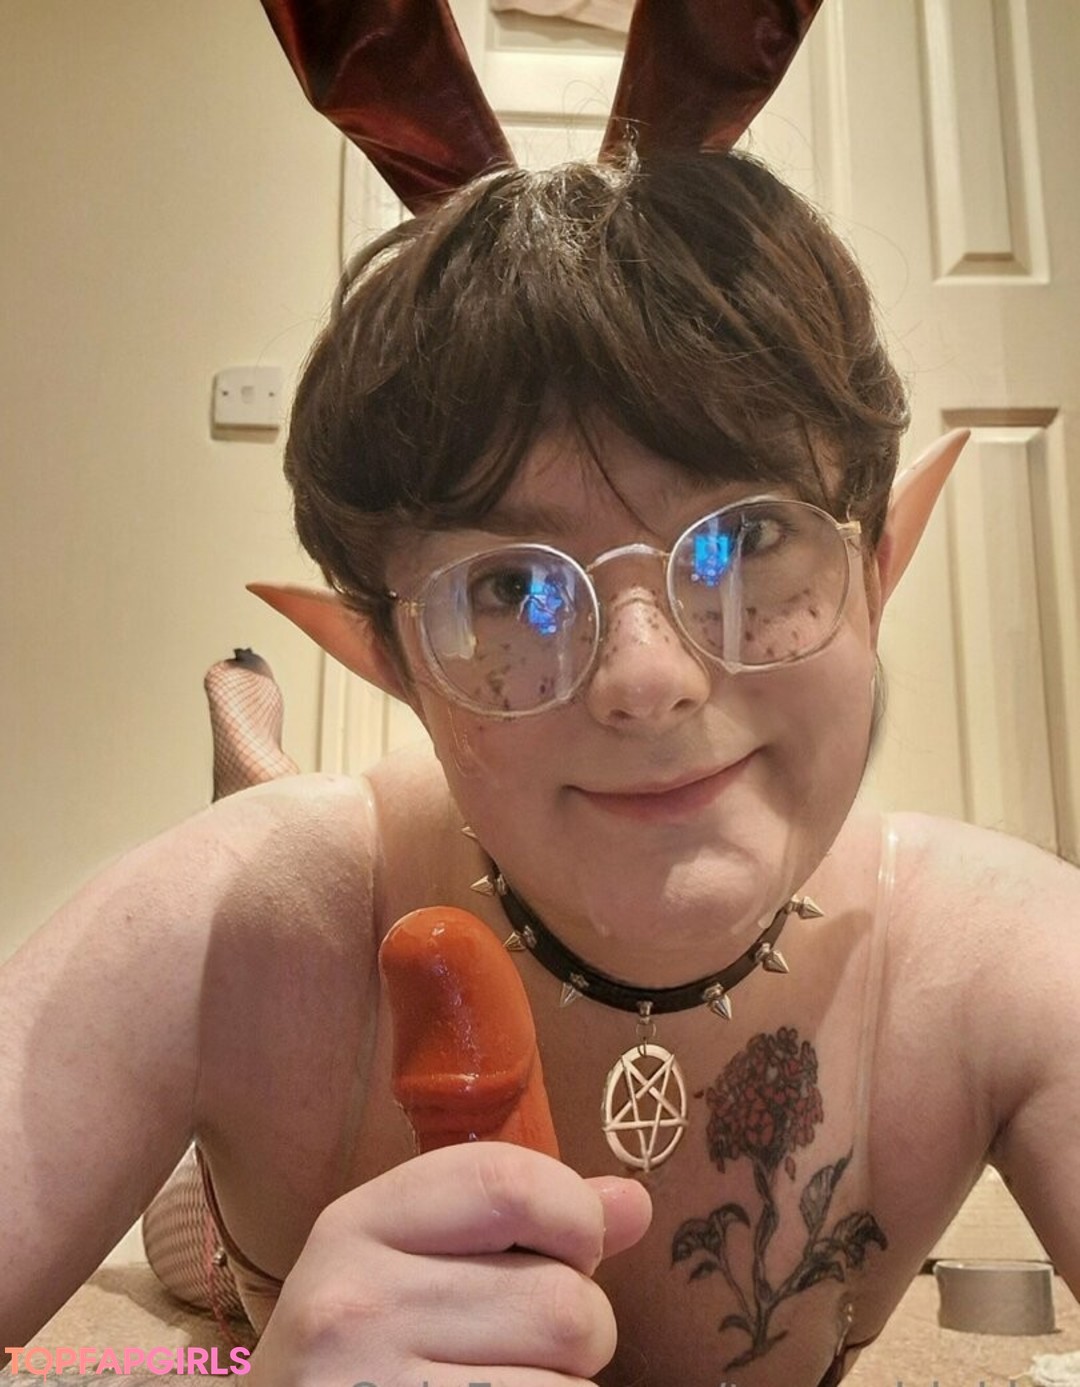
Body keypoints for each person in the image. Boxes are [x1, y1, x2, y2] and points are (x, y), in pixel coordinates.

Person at [3, 144, 1079, 1387]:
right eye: (513, 588)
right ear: (389, 659)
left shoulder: (1005, 955)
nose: (647, 678)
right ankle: (264, 772)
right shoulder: (225, 919)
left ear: (878, 570)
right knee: (190, 1259)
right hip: (225, 1204)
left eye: (743, 539)